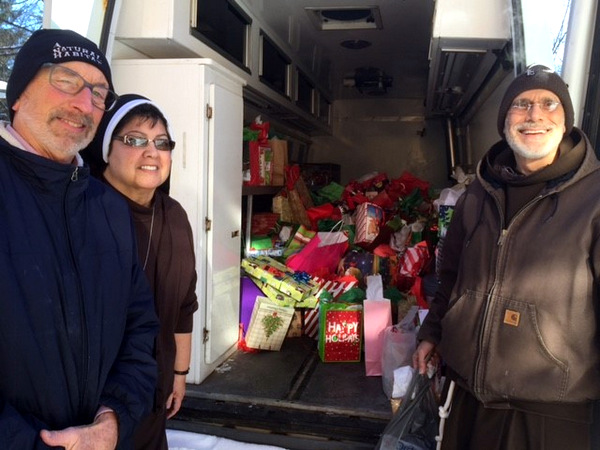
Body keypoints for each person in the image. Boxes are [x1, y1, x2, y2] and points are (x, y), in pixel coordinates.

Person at [413, 64, 600, 449]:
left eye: (549, 104)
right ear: (504, 124)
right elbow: (450, 277)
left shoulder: (593, 200)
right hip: (465, 396)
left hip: (548, 413)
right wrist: (432, 333)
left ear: (565, 122)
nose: (534, 115)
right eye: (521, 104)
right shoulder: (479, 193)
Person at [0, 29, 159, 449]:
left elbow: (139, 327)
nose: (83, 103)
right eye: (66, 81)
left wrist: (114, 418)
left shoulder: (106, 207)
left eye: (99, 92)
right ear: (18, 95)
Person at [82, 94, 199, 449]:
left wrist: (179, 375)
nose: (152, 152)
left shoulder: (174, 215)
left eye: (161, 143)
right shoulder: (80, 212)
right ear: (106, 149)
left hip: (154, 390)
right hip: (93, 402)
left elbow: (183, 306)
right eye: (134, 140)